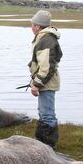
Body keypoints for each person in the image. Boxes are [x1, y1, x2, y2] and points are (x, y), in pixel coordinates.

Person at [28, 10, 63, 149]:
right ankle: (41, 142)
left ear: (37, 26)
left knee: (47, 114)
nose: (31, 27)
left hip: (46, 83)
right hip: (45, 82)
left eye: (32, 24)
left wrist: (36, 84)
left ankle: (48, 145)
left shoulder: (46, 40)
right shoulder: (43, 38)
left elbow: (46, 68)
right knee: (43, 112)